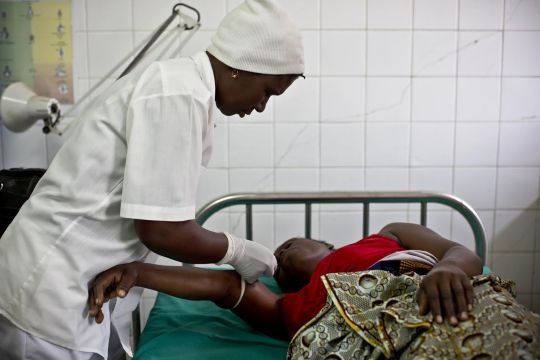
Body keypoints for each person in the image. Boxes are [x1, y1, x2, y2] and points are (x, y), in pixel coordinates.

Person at [0, 1, 304, 359]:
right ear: (242, 67)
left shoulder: (185, 91)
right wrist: (236, 250)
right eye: (267, 91)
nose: (260, 107)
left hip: (74, 282)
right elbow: (161, 230)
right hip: (49, 287)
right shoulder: (177, 94)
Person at [88, 222, 540, 359]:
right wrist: (139, 273)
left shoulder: (389, 236)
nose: (281, 260)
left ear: (327, 244)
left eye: (287, 246)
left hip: (440, 295)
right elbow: (222, 287)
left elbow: (460, 251)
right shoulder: (287, 308)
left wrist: (451, 270)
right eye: (278, 264)